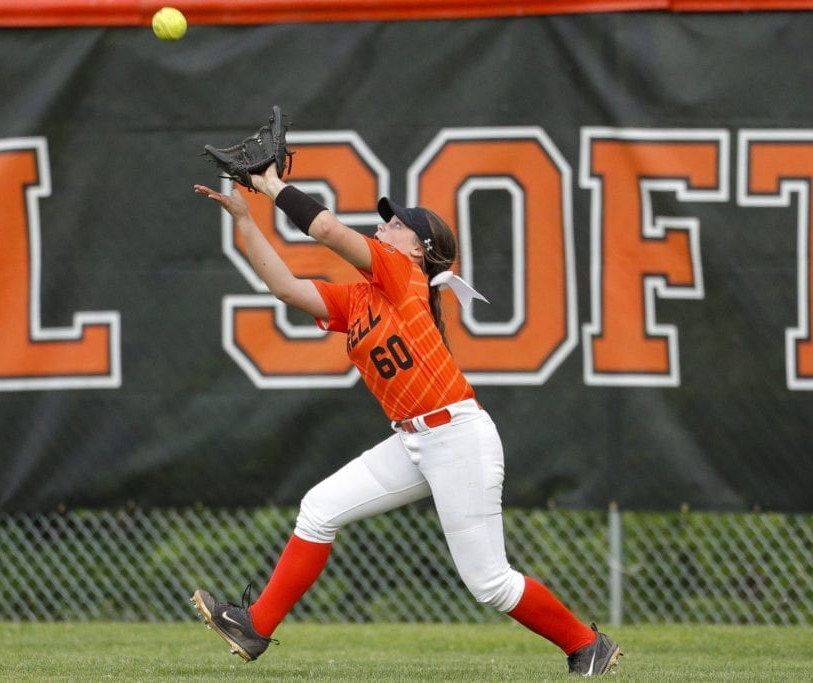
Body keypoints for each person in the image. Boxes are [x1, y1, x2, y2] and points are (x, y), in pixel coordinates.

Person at [191, 164, 622, 676]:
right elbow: (285, 287)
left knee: (489, 582)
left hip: (457, 437)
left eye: (396, 224)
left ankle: (585, 645)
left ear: (418, 250)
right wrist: (245, 217)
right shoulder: (361, 299)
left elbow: (325, 229)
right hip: (415, 441)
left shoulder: (402, 273)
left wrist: (270, 186)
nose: (383, 227)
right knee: (319, 509)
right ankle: (254, 626)